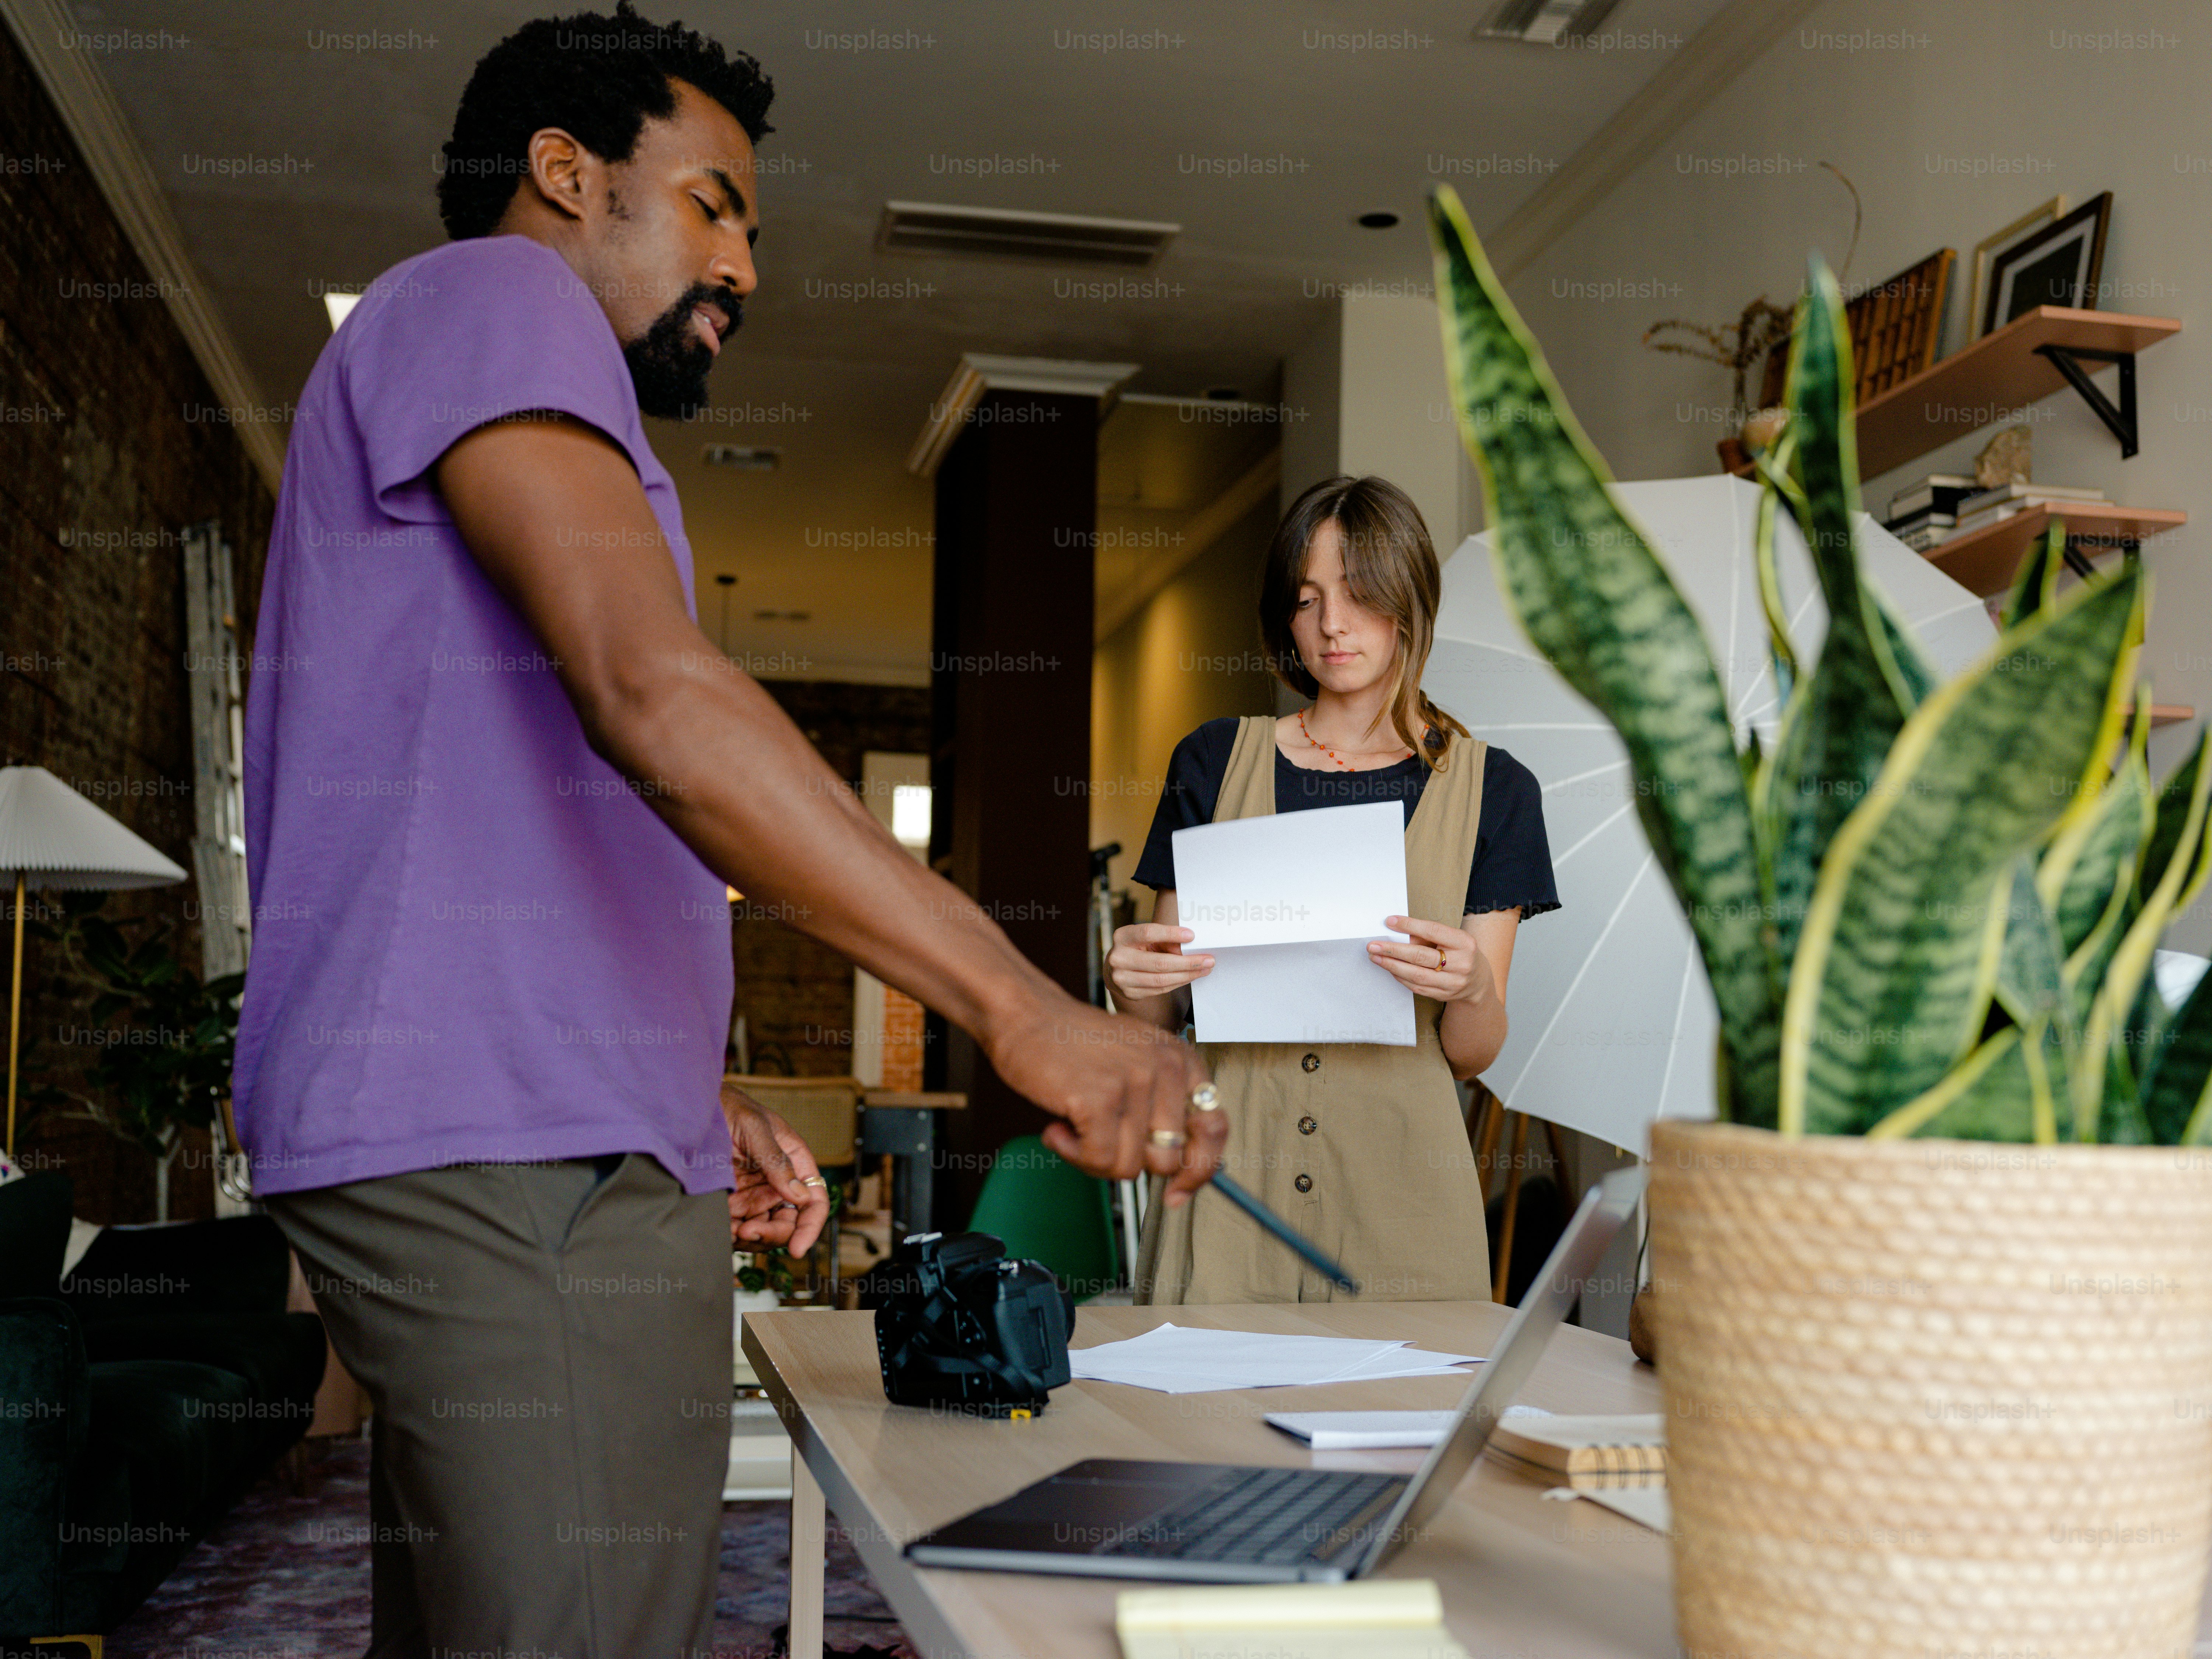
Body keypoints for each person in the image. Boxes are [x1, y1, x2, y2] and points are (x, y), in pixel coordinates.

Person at [231, 7, 1221, 1654]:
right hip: (507, 1164)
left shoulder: (515, 387)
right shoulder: (497, 294)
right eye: (713, 203)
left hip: (546, 1135)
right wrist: (1023, 1008)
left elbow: (510, 803)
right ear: (565, 174)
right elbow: (652, 697)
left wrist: (679, 1087)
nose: (747, 266)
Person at [1110, 475, 1558, 1305]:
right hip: (1231, 1187)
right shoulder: (1214, 760)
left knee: (1404, 1433)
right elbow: (1164, 1019)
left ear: (1408, 602)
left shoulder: (1496, 791)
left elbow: (1471, 1051)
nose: (1332, 625)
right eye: (1308, 598)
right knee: (1203, 1430)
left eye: (1357, 594)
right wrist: (1129, 982)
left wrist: (1471, 984)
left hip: (1406, 1204)